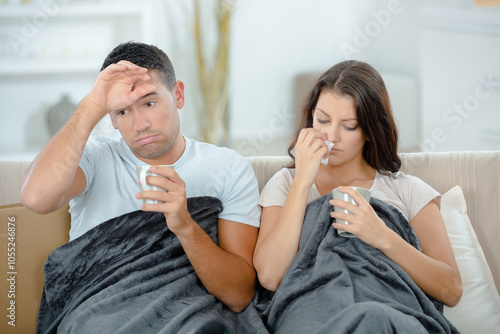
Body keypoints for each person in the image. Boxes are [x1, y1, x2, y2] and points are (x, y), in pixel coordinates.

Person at [20, 41, 260, 313]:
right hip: (101, 315)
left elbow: (240, 294)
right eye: (122, 111)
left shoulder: (228, 168)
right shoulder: (94, 157)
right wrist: (93, 104)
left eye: (149, 103)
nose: (140, 125)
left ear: (178, 95)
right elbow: (35, 198)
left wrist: (185, 227)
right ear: (111, 117)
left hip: (188, 315)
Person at [252, 60, 463, 308]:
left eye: (349, 126)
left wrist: (382, 236)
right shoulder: (286, 184)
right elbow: (270, 276)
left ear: (371, 130)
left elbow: (451, 290)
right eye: (322, 120)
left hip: (387, 313)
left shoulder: (408, 190)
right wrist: (302, 183)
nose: (331, 136)